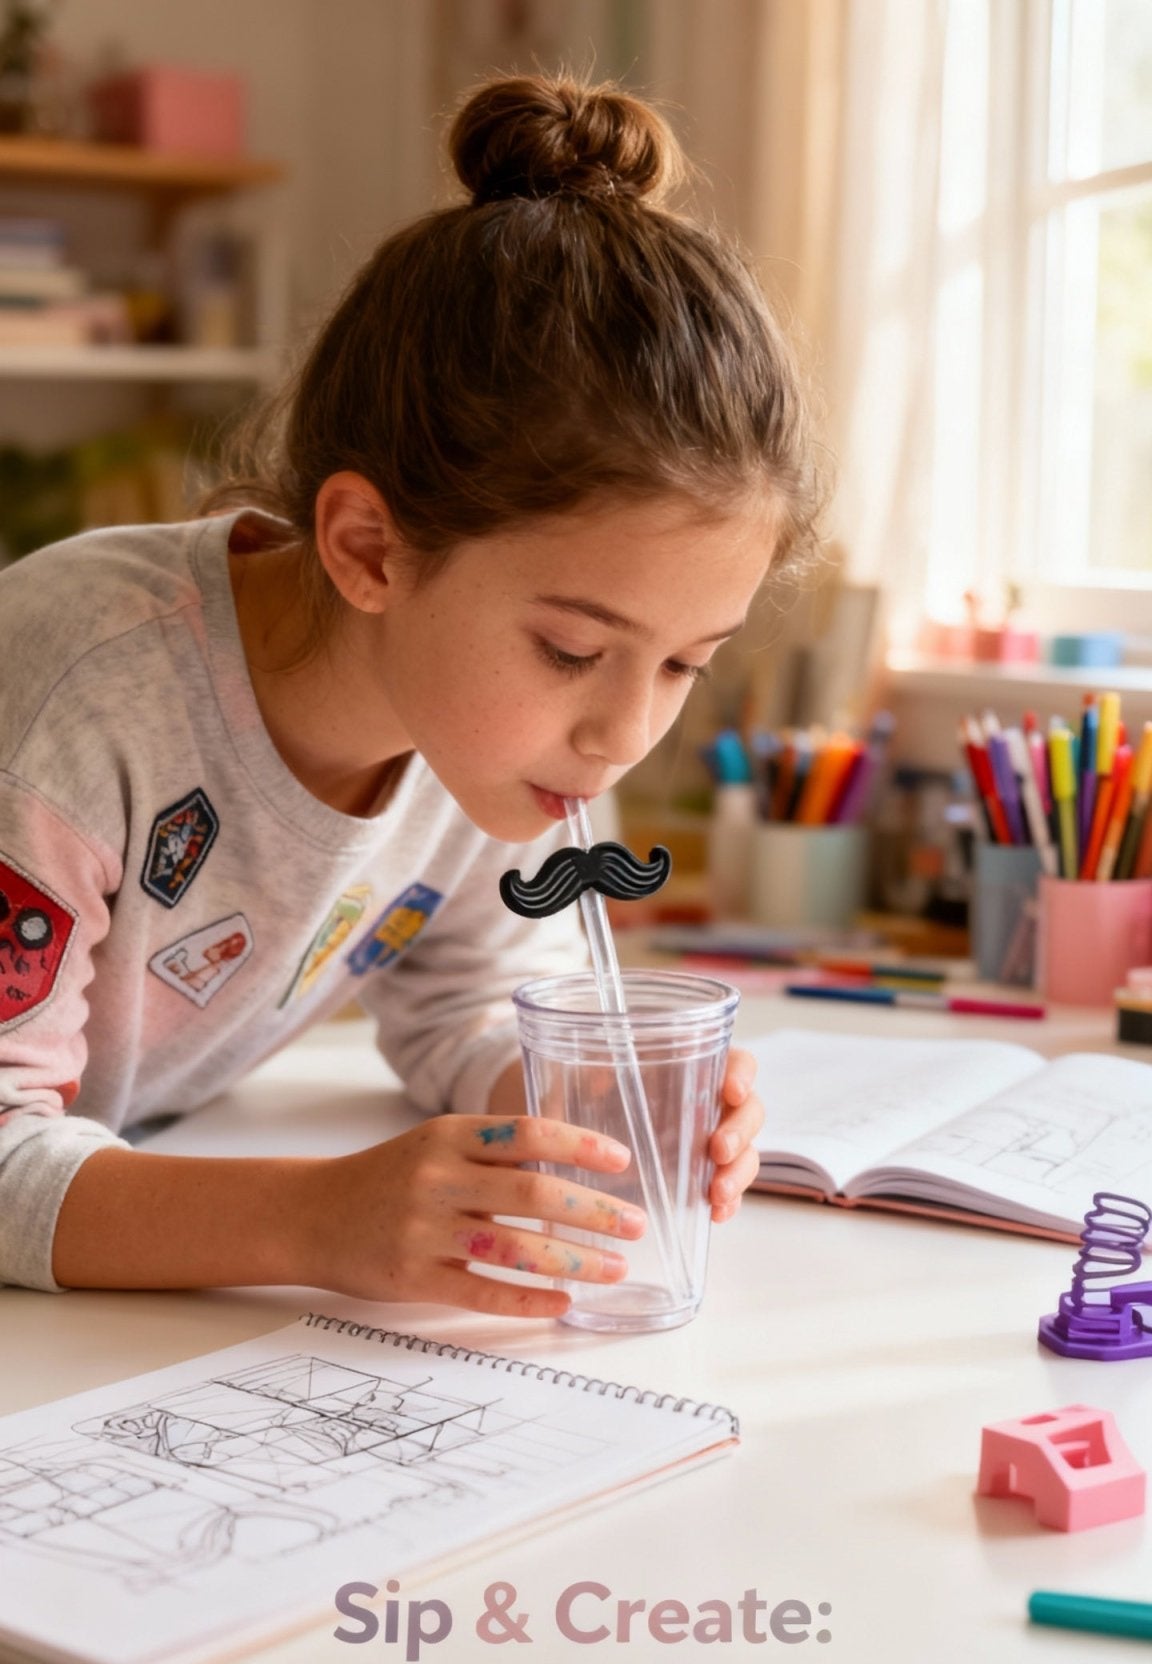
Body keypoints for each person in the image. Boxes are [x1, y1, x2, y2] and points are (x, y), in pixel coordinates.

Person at [0, 71, 823, 1315]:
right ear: (370, 549)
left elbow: (461, 1005)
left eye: (682, 663)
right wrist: (312, 1218)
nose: (624, 734)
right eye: (572, 649)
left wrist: (578, 1095)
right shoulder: (78, 697)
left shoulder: (491, 738)